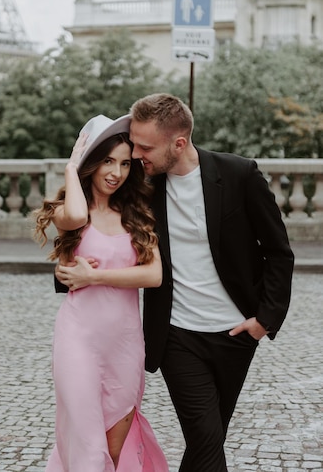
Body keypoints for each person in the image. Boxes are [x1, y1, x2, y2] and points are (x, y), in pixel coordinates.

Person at [126, 92, 295, 472]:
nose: (136, 154)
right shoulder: (143, 183)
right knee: (204, 436)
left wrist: (264, 320)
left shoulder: (239, 175)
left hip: (235, 335)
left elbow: (278, 251)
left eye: (145, 146)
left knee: (209, 440)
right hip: (176, 336)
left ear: (179, 143)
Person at [34, 114, 169, 472]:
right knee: (86, 445)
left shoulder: (136, 215)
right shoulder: (69, 214)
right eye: (107, 160)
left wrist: (96, 277)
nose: (117, 172)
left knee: (112, 448)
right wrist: (71, 167)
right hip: (77, 339)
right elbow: (78, 213)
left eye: (125, 163)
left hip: (124, 343)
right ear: (92, 162)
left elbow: (153, 275)